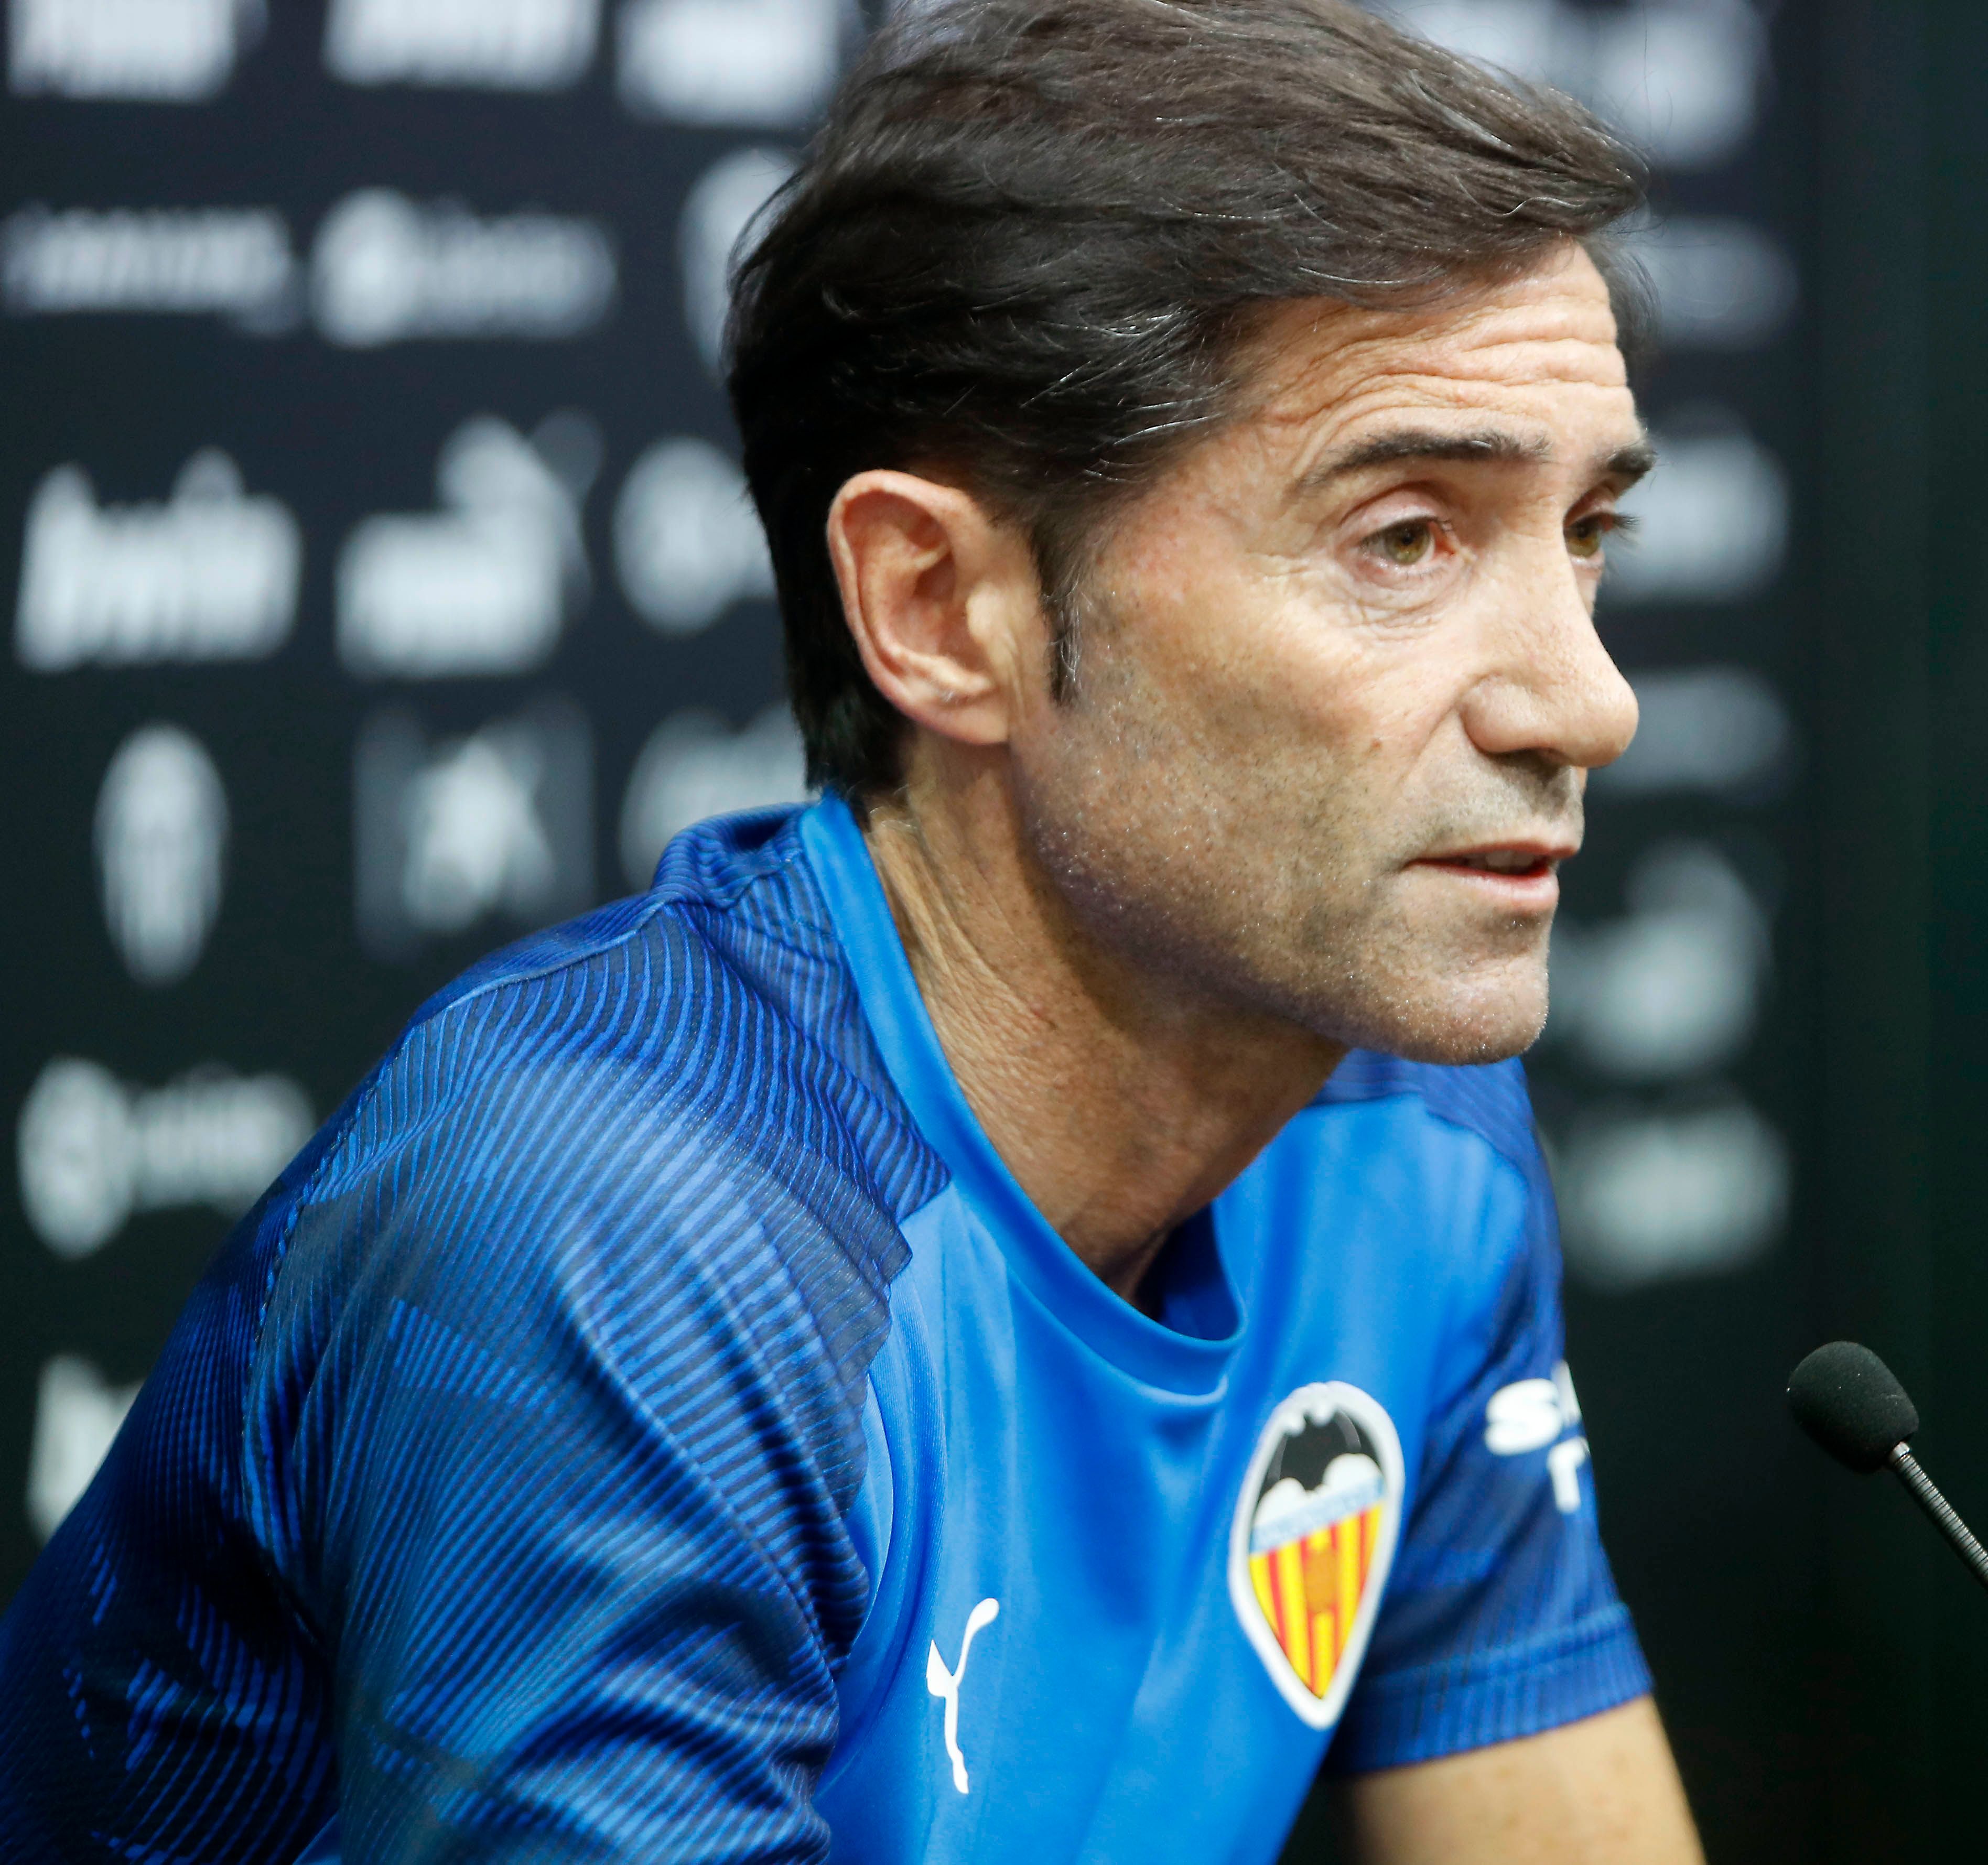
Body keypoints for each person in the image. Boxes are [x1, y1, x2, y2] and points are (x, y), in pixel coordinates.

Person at [0, 2, 1704, 1859]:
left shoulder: (1408, 1136)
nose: (1585, 700)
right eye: (1404, 537)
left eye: (1585, 534)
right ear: (937, 608)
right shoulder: (625, 1232)